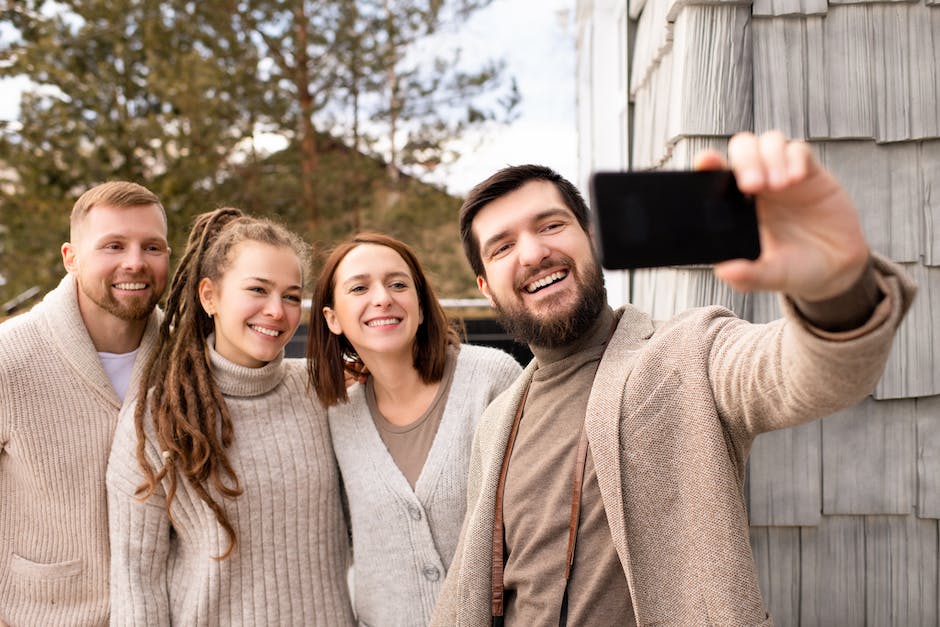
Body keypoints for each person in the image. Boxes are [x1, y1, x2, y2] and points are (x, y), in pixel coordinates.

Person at [430, 131, 917, 626]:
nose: (532, 253)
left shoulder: (689, 353)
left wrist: (833, 287)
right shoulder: (497, 423)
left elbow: (803, 372)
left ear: (592, 238)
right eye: (503, 247)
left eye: (551, 225)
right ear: (486, 289)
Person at [106, 208, 354, 625]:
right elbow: (136, 580)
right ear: (210, 296)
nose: (277, 310)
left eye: (292, 296)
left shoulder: (323, 394)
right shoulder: (159, 417)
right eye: (258, 290)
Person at [308, 232, 521, 626]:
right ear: (332, 318)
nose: (382, 298)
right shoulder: (339, 415)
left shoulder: (492, 379)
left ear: (420, 307)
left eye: (398, 284)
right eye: (359, 287)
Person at [0, 182, 169, 626]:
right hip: (42, 615)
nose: (135, 261)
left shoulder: (187, 357)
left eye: (152, 246)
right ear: (70, 258)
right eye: (113, 245)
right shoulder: (8, 358)